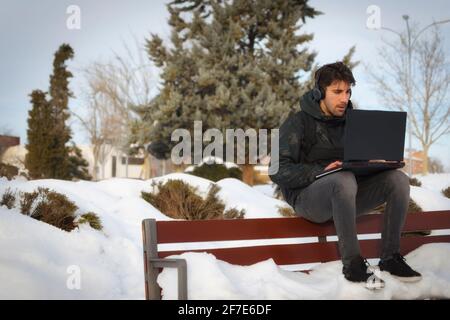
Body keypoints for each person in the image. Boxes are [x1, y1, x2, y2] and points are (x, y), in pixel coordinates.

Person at [269, 62, 422, 288]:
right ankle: (352, 264)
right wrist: (321, 171)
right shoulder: (297, 122)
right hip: (309, 201)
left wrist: (378, 163)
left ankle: (390, 258)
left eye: (348, 91)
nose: (344, 98)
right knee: (343, 178)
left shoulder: (355, 123)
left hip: (346, 195)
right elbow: (276, 169)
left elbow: (358, 166)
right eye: (337, 92)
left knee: (398, 179)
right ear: (320, 92)